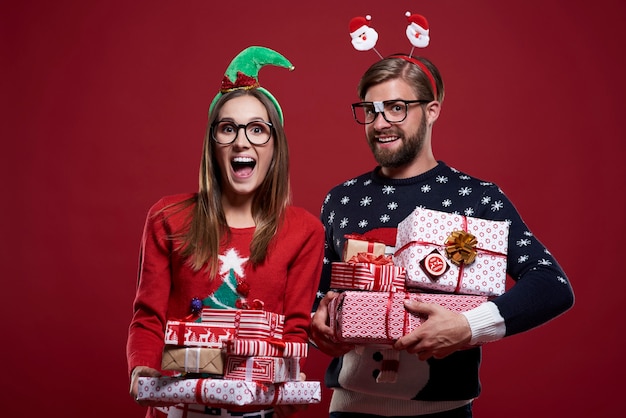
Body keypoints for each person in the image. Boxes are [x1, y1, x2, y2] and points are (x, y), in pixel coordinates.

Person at [309, 52, 575, 418]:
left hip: (443, 411)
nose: (380, 122)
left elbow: (552, 284)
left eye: (397, 107)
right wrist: (317, 325)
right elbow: (320, 295)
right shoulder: (340, 199)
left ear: (432, 110)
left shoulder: (479, 197)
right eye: (370, 110)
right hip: (349, 409)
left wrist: (468, 327)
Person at [127, 46, 325, 418]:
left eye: (257, 129)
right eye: (228, 128)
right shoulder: (167, 217)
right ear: (213, 144)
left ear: (275, 146)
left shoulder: (304, 231)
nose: (241, 141)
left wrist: (288, 385)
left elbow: (295, 328)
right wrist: (143, 369)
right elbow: (149, 316)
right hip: (178, 405)